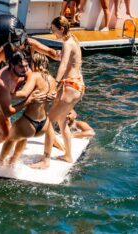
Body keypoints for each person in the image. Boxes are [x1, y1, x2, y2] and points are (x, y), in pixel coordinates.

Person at [33, 17, 84, 168]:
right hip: (77, 85)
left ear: (61, 29)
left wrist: (54, 84)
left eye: (54, 30)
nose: (52, 32)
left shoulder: (67, 43)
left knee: (48, 122)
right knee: (62, 122)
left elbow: (62, 66)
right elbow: (72, 62)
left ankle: (46, 160)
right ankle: (68, 155)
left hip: (70, 86)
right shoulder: (73, 39)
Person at [0, 50, 44, 161]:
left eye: (26, 66)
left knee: (6, 136)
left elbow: (27, 90)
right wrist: (27, 101)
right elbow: (8, 112)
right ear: (11, 65)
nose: (25, 69)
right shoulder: (2, 82)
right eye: (21, 66)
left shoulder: (26, 71)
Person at [0, 52, 58, 166]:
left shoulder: (34, 76)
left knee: (10, 138)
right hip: (44, 124)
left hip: (30, 122)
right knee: (22, 138)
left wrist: (8, 93)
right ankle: (13, 160)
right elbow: (55, 97)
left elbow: (24, 93)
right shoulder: (52, 79)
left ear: (34, 64)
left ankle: (0, 161)